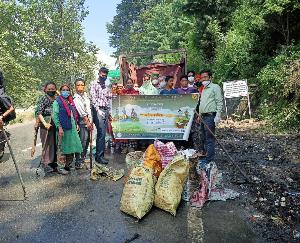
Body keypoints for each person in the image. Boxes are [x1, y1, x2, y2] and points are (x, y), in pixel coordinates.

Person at [52, 84, 83, 174]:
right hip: (63, 128)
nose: (66, 91)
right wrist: (59, 127)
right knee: (62, 148)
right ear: (60, 91)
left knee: (71, 147)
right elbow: (55, 116)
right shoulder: (57, 102)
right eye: (64, 90)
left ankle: (67, 165)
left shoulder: (70, 101)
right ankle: (61, 167)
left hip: (72, 127)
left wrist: (76, 124)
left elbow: (73, 114)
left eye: (67, 90)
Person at [197, 69, 223, 162]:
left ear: (210, 78)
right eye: (202, 77)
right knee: (203, 137)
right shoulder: (203, 89)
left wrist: (218, 115)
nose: (203, 79)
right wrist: (199, 115)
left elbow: (219, 101)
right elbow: (202, 103)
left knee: (209, 139)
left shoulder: (215, 87)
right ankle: (205, 156)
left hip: (210, 116)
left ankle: (209, 160)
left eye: (205, 77)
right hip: (203, 116)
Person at [35, 81, 58, 173]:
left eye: (53, 89)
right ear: (45, 90)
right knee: (47, 144)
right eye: (49, 89)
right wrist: (44, 123)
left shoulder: (56, 98)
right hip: (46, 125)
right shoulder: (43, 98)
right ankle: (46, 163)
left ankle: (53, 162)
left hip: (55, 124)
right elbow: (39, 112)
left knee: (54, 143)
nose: (51, 90)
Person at [90, 67, 111, 164]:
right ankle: (99, 156)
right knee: (101, 133)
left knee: (103, 134)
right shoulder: (94, 84)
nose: (104, 77)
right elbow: (93, 98)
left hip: (106, 110)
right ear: (99, 74)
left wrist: (109, 111)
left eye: (106, 76)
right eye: (102, 75)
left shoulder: (106, 85)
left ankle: (100, 155)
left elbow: (108, 98)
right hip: (98, 110)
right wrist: (98, 110)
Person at [73, 78, 93, 169]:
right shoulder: (76, 98)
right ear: (75, 87)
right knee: (82, 141)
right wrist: (87, 122)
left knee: (87, 140)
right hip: (82, 121)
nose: (80, 86)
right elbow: (82, 112)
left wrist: (91, 121)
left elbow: (88, 109)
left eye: (82, 85)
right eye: (78, 85)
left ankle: (83, 157)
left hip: (88, 120)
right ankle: (78, 161)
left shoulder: (85, 96)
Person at [0, 71, 15, 159]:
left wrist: (1, 117)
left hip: (2, 117)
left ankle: (4, 137)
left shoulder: (1, 96)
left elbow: (11, 108)